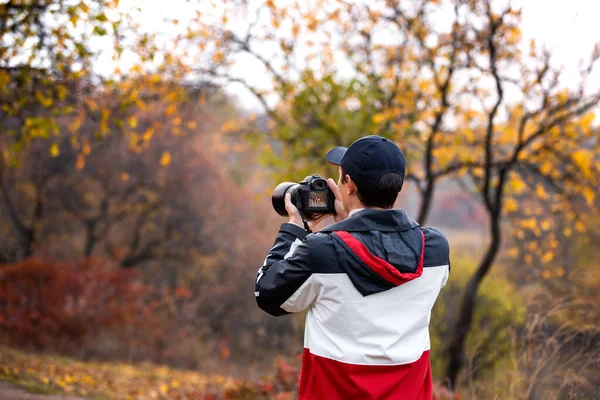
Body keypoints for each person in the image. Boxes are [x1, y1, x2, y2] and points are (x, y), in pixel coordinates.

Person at [255, 135, 450, 400]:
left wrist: (294, 228)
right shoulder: (435, 249)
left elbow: (267, 294)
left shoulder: (320, 251)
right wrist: (351, 223)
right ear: (397, 187)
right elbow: (388, 258)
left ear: (350, 185)